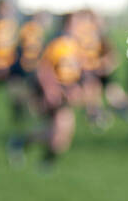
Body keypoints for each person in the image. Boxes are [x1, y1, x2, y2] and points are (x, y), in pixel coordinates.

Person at [7, 12, 85, 168]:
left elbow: (77, 69)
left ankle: (22, 143)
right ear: (68, 24)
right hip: (51, 90)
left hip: (65, 90)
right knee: (61, 129)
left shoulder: (75, 43)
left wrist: (76, 87)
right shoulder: (58, 42)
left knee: (61, 133)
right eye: (77, 23)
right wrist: (51, 90)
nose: (81, 27)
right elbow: (44, 68)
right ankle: (46, 163)